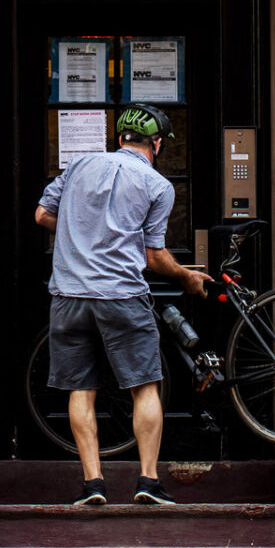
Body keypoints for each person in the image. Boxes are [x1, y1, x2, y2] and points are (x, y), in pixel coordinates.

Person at [35, 101, 208, 506]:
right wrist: (187, 277)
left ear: (120, 138)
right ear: (158, 144)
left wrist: (81, 229)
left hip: (69, 295)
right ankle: (147, 481)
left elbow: (42, 214)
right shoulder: (157, 186)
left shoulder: (79, 165)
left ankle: (93, 484)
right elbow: (154, 256)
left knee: (81, 389)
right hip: (122, 297)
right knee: (144, 386)